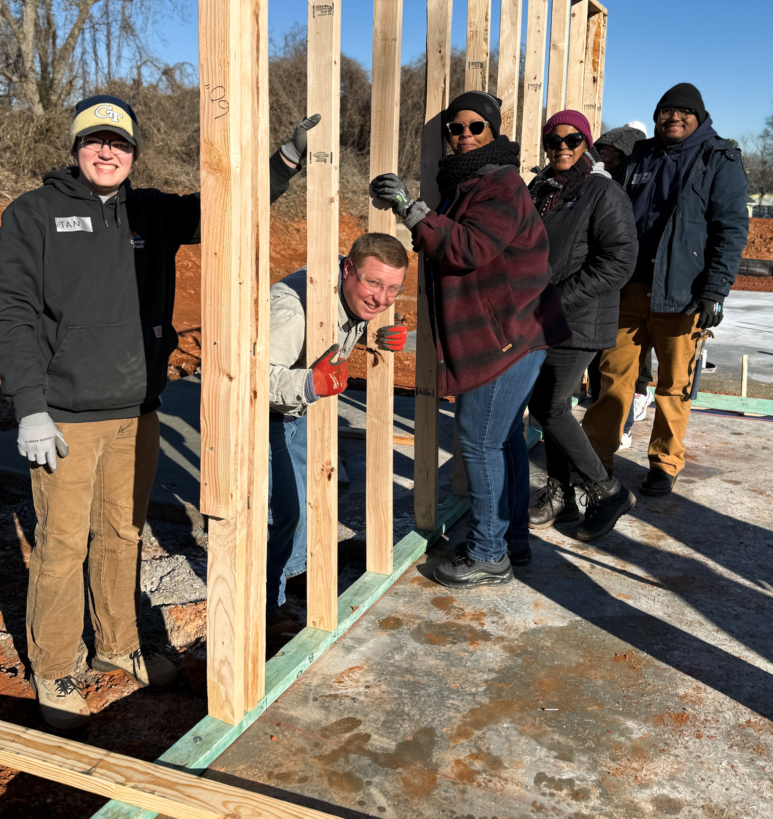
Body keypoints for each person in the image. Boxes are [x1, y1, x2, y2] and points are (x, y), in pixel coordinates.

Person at [0, 94, 318, 730]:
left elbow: (231, 207)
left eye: (119, 143)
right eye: (95, 140)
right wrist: (29, 407)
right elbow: (12, 312)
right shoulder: (33, 214)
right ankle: (55, 665)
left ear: (134, 153)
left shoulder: (151, 211)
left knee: (122, 534)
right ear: (76, 147)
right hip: (65, 415)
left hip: (139, 408)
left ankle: (117, 645)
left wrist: (285, 160)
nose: (107, 151)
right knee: (61, 544)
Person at [370, 90, 570, 589]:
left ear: (493, 132)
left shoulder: (501, 184)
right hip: (510, 330)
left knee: (479, 443)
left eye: (475, 127)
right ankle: (510, 539)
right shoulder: (468, 183)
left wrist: (411, 210)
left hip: (505, 335)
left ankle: (488, 554)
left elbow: (470, 248)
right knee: (502, 440)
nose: (464, 135)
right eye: (455, 128)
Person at [582, 84, 748, 495]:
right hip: (628, 288)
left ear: (699, 117)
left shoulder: (718, 157)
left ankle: (664, 463)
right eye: (665, 111)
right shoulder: (641, 155)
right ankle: (594, 460)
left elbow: (730, 229)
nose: (673, 117)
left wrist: (715, 291)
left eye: (683, 112)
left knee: (674, 386)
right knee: (612, 379)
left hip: (682, 294)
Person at [266, 233, 409, 641]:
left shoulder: (354, 291)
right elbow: (252, 378)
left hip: (298, 410)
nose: (382, 298)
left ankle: (290, 573)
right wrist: (309, 383)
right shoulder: (293, 311)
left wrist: (380, 333)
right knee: (280, 511)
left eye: (393, 289)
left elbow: (359, 316)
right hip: (266, 414)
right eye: (374, 284)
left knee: (307, 502)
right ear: (348, 269)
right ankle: (265, 607)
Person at [525, 110, 638, 539]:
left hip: (579, 319)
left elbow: (619, 261)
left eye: (572, 140)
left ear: (586, 144)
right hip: (543, 317)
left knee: (549, 407)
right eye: (553, 140)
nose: (562, 147)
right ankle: (562, 496)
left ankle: (608, 491)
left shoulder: (602, 191)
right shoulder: (542, 188)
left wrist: (558, 297)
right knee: (546, 407)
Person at [587, 121, 653, 447]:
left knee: (621, 363)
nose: (608, 157)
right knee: (599, 358)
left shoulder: (634, 191)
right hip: (595, 286)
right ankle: (604, 418)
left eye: (616, 154)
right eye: (603, 150)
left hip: (626, 286)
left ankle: (622, 423)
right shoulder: (594, 183)